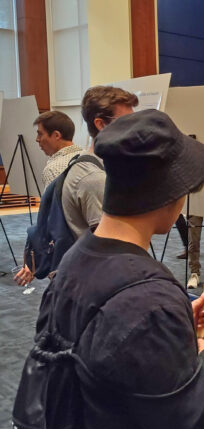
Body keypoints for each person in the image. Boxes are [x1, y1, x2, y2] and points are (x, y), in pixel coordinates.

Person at [31, 109, 204, 429]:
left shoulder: (75, 260)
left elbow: (103, 349)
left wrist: (176, 328)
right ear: (171, 195)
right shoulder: (149, 299)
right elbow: (185, 418)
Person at [13, 87, 138, 287]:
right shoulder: (93, 175)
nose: (135, 128)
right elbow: (109, 247)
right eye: (127, 122)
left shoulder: (91, 166)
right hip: (88, 282)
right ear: (100, 124)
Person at [35, 111, 83, 188]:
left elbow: (54, 200)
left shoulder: (53, 169)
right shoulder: (90, 156)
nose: (37, 139)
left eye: (40, 134)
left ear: (56, 135)